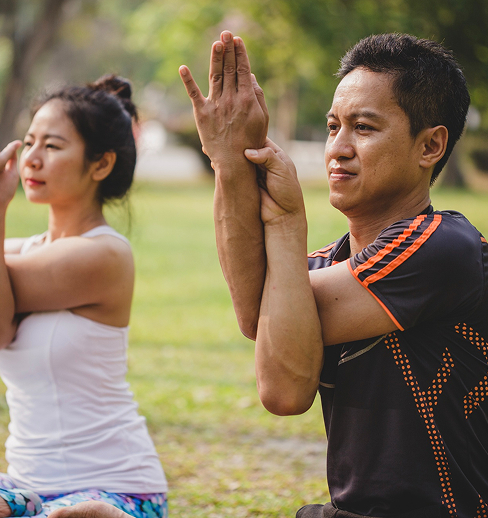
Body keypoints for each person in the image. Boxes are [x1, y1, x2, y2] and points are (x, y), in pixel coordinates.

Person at [180, 31, 488, 517]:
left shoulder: (445, 247)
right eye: (331, 127)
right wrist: (229, 162)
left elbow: (272, 345)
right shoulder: (326, 265)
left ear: (430, 146)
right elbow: (276, 366)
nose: (337, 149)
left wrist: (283, 223)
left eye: (363, 128)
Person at [0, 76, 168, 518]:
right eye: (30, 142)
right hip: (27, 487)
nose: (31, 159)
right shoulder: (22, 251)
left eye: (53, 147)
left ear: (100, 165)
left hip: (118, 489)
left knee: (78, 516)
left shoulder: (105, 255)